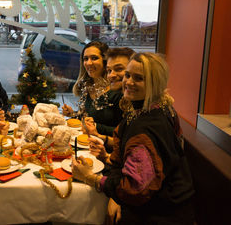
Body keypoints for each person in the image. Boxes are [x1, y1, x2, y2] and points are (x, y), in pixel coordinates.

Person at [72, 53, 195, 225]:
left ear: (155, 83)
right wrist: (107, 158)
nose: (128, 82)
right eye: (128, 75)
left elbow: (133, 190)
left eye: (139, 78)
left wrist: (90, 177)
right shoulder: (155, 107)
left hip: (161, 215)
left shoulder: (145, 127)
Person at [62, 41, 123, 148]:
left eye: (94, 58)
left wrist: (96, 126)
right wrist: (73, 114)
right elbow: (88, 117)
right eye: (85, 59)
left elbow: (123, 131)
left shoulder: (116, 91)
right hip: (87, 145)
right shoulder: (88, 86)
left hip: (105, 149)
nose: (89, 63)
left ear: (105, 61)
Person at [84, 47, 135, 152]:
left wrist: (97, 128)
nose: (111, 75)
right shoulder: (126, 100)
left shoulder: (146, 109)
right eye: (109, 70)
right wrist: (101, 137)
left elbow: (133, 148)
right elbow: (124, 139)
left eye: (119, 69)